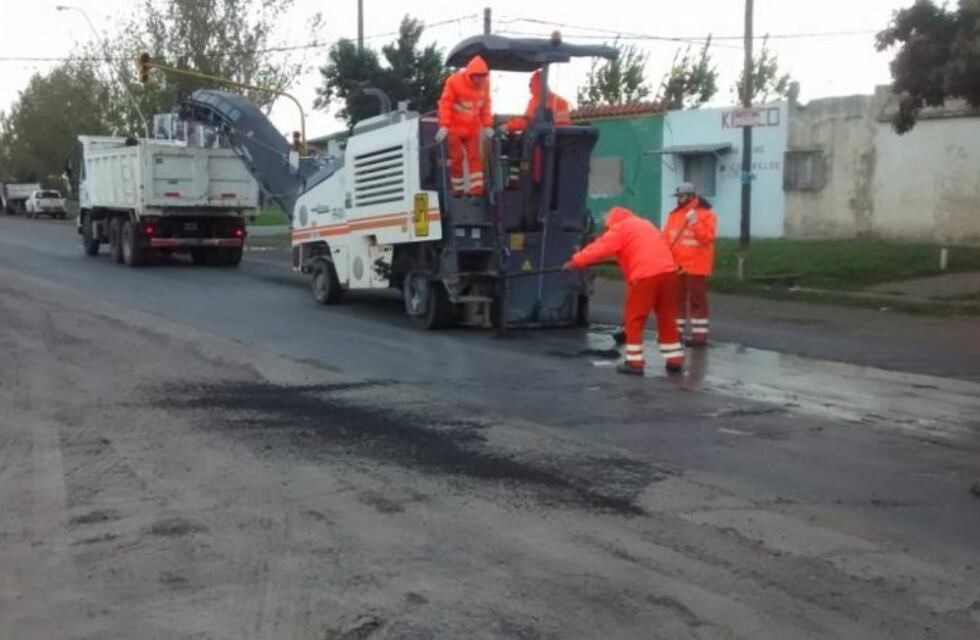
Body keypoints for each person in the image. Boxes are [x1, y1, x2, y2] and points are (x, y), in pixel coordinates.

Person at [563, 207, 684, 375]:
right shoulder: (645, 224)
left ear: (612, 222)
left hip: (645, 276)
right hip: (669, 272)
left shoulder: (620, 228)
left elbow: (601, 247)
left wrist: (575, 261)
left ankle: (634, 362)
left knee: (634, 318)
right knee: (667, 317)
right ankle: (674, 360)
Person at [663, 182, 717, 346]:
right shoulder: (674, 215)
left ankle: (699, 337)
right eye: (678, 196)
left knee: (697, 301)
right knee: (676, 300)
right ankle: (676, 334)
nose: (679, 199)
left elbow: (707, 238)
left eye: (682, 196)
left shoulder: (706, 214)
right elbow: (667, 237)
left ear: (692, 196)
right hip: (676, 265)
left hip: (696, 265)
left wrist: (694, 222)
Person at [435, 55, 494, 198]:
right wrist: (444, 125)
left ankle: (477, 190)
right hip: (454, 128)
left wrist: (487, 125)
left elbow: (485, 105)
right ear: (470, 74)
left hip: (473, 129)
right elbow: (445, 104)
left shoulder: (485, 84)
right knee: (457, 157)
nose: (480, 79)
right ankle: (458, 189)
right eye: (477, 76)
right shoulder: (454, 82)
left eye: (482, 76)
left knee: (475, 157)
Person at [503, 70, 571, 133]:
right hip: (539, 140)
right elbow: (526, 120)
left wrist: (508, 126)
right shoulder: (561, 102)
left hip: (541, 143)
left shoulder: (558, 102)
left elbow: (527, 122)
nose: (529, 87)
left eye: (530, 84)